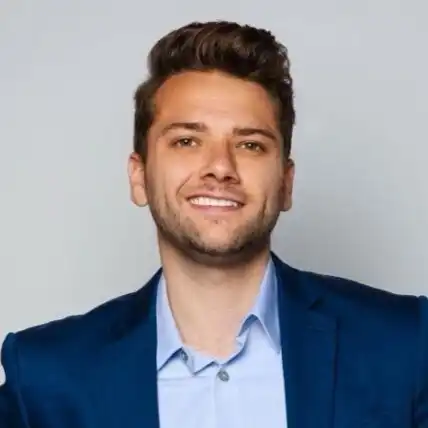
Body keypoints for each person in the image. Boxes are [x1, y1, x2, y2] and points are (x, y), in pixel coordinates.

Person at [0, 20, 427, 428]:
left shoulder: (407, 344)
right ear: (139, 176)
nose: (220, 167)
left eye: (250, 144)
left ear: (286, 183)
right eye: (187, 141)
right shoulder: (45, 376)